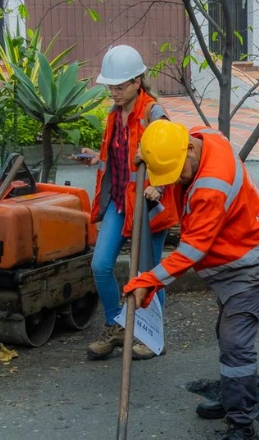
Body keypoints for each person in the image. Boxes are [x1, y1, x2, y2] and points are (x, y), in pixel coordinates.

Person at [124, 120, 259, 440]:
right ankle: (233, 398)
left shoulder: (211, 186)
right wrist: (145, 155)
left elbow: (192, 251)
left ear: (189, 150)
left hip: (254, 262)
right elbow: (166, 137)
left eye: (177, 171)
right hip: (239, 252)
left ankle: (243, 426)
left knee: (234, 341)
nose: (176, 180)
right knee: (227, 333)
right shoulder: (202, 136)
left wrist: (149, 279)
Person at [78, 45, 178, 362]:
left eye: (119, 86)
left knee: (148, 273)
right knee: (100, 265)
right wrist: (98, 157)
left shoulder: (153, 114)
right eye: (110, 86)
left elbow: (172, 152)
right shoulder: (113, 116)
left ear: (137, 81)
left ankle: (153, 337)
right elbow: (119, 157)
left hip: (147, 208)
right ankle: (116, 325)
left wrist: (159, 187)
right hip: (119, 204)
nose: (113, 92)